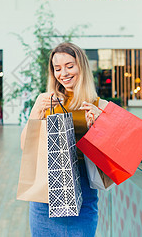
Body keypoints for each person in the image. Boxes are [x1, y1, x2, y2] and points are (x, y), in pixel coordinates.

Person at [20, 42, 107, 236]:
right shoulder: (48, 103)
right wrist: (36, 110)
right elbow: (25, 146)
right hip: (46, 193)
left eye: (70, 66)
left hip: (83, 191)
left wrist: (99, 125)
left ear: (81, 66)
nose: (64, 73)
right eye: (57, 68)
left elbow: (109, 155)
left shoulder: (98, 105)